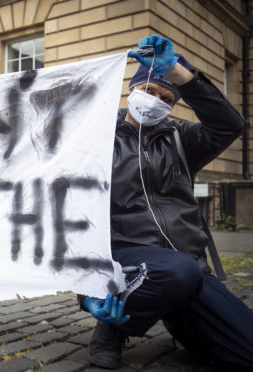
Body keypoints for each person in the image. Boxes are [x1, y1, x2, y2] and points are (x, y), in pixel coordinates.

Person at [79, 35, 253, 370]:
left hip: (189, 270)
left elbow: (230, 125)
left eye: (166, 96)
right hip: (128, 260)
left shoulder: (182, 138)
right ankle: (115, 326)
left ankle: (180, 318)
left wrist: (176, 72)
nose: (155, 99)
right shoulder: (96, 138)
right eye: (148, 90)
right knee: (176, 270)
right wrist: (87, 294)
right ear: (132, 90)